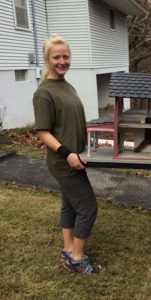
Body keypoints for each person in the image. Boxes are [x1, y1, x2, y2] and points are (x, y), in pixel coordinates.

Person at [33, 34, 99, 274]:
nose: (62, 61)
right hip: (64, 162)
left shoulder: (65, 85)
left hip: (76, 157)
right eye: (57, 57)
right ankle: (77, 259)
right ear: (47, 59)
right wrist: (67, 153)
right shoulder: (44, 93)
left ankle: (69, 249)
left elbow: (71, 121)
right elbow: (43, 132)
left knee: (70, 205)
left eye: (65, 56)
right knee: (88, 207)